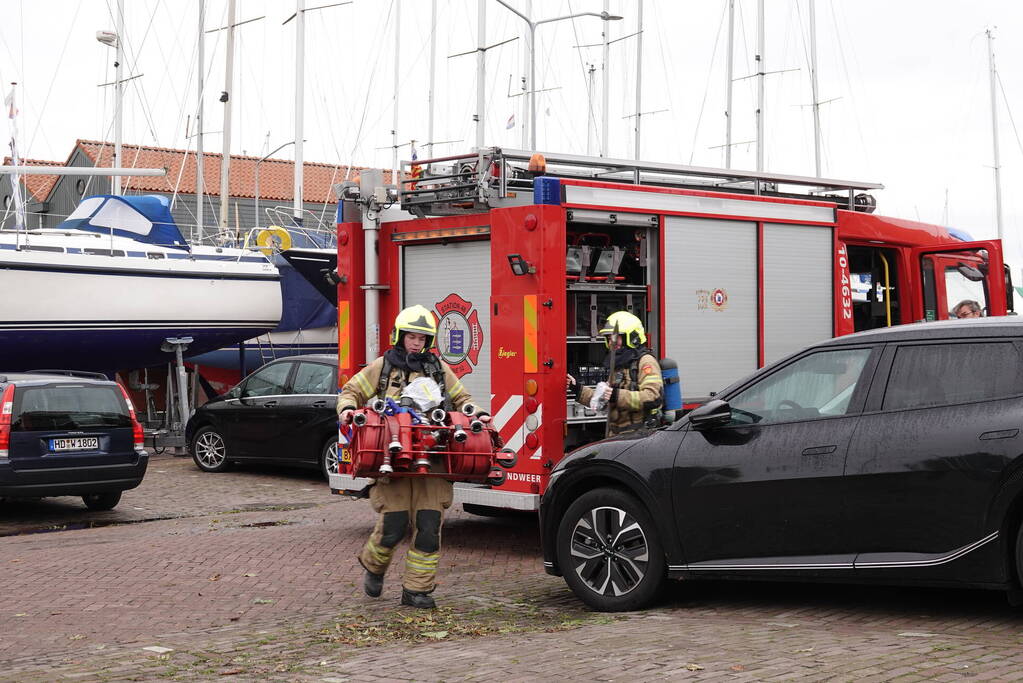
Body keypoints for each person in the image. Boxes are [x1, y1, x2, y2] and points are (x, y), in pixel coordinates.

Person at [337, 304, 489, 609]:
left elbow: (463, 398)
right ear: (399, 336)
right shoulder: (383, 367)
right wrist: (347, 410)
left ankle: (417, 590)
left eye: (422, 338)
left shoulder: (437, 369)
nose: (416, 343)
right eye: (411, 337)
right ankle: (374, 566)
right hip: (392, 458)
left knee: (429, 527)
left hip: (432, 458)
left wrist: (478, 414)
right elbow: (351, 392)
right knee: (393, 526)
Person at [567, 311, 664, 435]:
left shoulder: (645, 362)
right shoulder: (619, 366)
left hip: (638, 437)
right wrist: (577, 389)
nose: (611, 342)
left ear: (632, 337)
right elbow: (603, 401)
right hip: (617, 437)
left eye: (615, 337)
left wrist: (617, 395)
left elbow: (653, 397)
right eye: (608, 338)